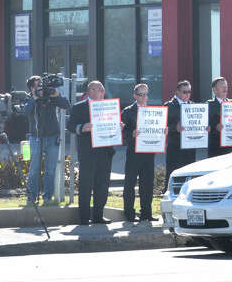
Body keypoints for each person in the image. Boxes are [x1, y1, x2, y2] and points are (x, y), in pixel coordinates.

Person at [67, 80, 116, 225]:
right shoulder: (79, 107)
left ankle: (98, 216)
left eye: (102, 90)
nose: (101, 92)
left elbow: (114, 125)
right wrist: (82, 127)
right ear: (90, 92)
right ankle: (84, 217)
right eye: (98, 89)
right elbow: (70, 126)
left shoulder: (109, 107)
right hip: (88, 152)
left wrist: (118, 126)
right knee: (86, 185)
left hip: (105, 151)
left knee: (102, 184)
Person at [22, 75, 68, 206]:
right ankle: (32, 197)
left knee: (50, 170)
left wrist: (56, 94)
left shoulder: (50, 98)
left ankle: (47, 197)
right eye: (38, 85)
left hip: (53, 137)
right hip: (36, 138)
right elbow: (25, 112)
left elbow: (66, 105)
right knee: (34, 169)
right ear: (31, 88)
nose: (41, 87)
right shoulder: (29, 99)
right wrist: (34, 98)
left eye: (41, 84)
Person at [121, 83, 156, 223]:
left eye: (146, 94)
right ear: (135, 96)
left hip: (149, 152)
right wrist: (131, 134)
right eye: (141, 94)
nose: (144, 97)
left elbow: (156, 129)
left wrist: (163, 131)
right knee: (130, 183)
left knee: (147, 184)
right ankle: (129, 213)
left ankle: (146, 213)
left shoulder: (153, 112)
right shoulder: (128, 111)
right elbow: (121, 132)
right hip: (134, 152)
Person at [165, 79, 196, 186]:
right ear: (177, 92)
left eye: (189, 92)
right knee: (173, 174)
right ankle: (170, 196)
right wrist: (174, 128)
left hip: (190, 148)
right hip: (175, 147)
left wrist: (205, 129)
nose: (187, 94)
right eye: (184, 92)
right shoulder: (168, 106)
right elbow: (162, 127)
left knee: (189, 176)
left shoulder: (194, 106)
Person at [206, 77, 232, 158]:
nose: (225, 89)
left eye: (226, 86)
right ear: (215, 90)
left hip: (231, 146)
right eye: (222, 86)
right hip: (216, 147)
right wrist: (215, 127)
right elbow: (205, 125)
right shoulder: (208, 105)